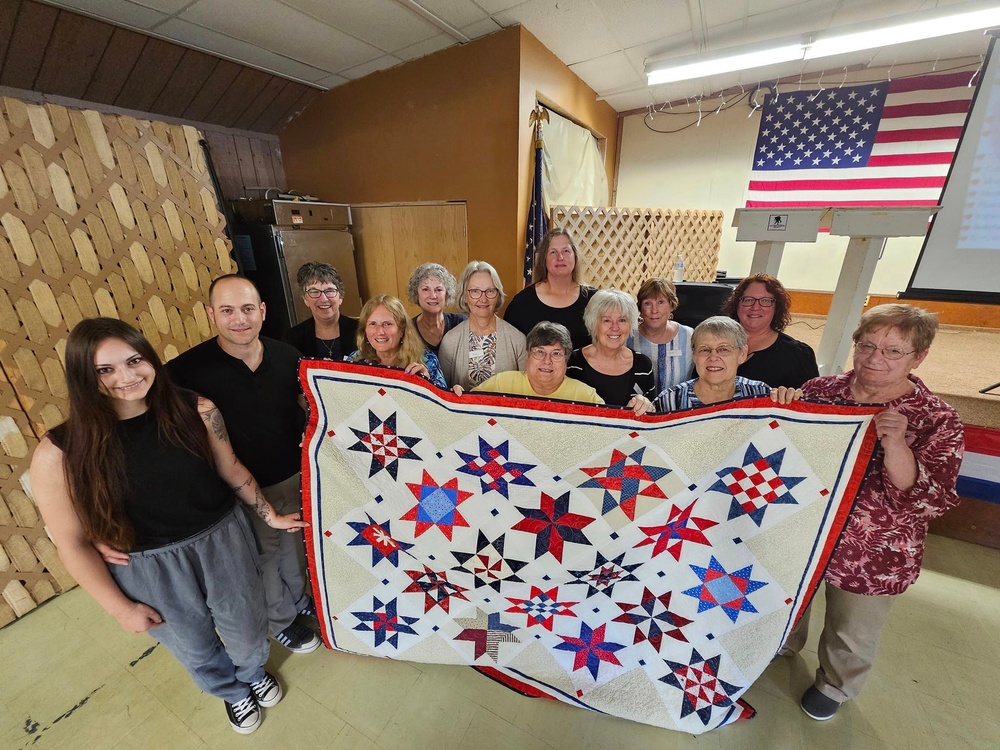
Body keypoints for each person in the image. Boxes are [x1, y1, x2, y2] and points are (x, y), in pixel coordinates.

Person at [29, 318, 307, 734]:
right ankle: (231, 693)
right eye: (104, 370)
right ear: (84, 376)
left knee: (247, 625)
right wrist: (119, 608)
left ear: (150, 359)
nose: (125, 377)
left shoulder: (197, 409)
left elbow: (230, 469)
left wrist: (270, 515)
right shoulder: (59, 451)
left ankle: (252, 674)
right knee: (193, 644)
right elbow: (70, 543)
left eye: (134, 360)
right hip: (147, 564)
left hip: (222, 539)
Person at [780, 304, 964, 721]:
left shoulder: (937, 418)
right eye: (866, 345)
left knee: (853, 628)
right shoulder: (821, 391)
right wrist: (784, 408)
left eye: (893, 351)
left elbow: (930, 500)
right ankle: (782, 644)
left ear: (919, 357)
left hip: (875, 551)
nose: (874, 358)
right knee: (790, 600)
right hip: (804, 529)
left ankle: (836, 685)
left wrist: (897, 446)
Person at [167, 275, 321, 656]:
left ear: (263, 312)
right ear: (211, 314)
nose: (240, 319)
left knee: (297, 545)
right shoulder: (184, 372)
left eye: (248, 308)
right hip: (239, 488)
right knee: (262, 558)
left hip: (295, 477)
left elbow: (310, 406)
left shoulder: (287, 356)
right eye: (227, 310)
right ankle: (280, 621)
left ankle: (300, 598)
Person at [656, 316, 800, 411]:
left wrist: (792, 404)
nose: (713, 357)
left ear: (742, 354)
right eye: (704, 350)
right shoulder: (669, 401)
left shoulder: (761, 396)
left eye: (724, 349)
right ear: (694, 355)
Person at [438, 261, 527, 391]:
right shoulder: (450, 341)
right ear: (465, 296)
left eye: (490, 291)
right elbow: (441, 391)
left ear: (498, 295)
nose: (483, 299)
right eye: (475, 291)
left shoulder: (517, 340)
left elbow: (526, 391)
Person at [503, 228, 597, 349]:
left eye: (566, 251)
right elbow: (511, 349)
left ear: (575, 256)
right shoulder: (521, 303)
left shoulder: (594, 301)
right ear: (544, 259)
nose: (560, 257)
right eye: (553, 252)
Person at [466, 322, 603, 404]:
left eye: (556, 354)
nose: (547, 361)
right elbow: (465, 410)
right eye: (539, 352)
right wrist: (455, 396)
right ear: (528, 355)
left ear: (566, 359)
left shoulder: (586, 397)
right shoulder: (501, 384)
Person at [721, 273, 819, 388]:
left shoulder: (797, 355)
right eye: (748, 300)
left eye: (766, 301)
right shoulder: (712, 342)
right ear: (737, 304)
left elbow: (809, 401)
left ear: (777, 307)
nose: (755, 307)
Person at [567, 289, 655, 415]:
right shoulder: (573, 363)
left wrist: (647, 406)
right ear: (593, 323)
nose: (615, 327)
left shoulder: (643, 365)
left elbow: (652, 414)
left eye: (622, 320)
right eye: (606, 320)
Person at [348, 294, 447, 388]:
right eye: (372, 324)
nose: (380, 331)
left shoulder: (427, 360)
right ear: (365, 330)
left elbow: (441, 402)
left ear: (401, 330)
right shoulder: (354, 359)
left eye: (387, 324)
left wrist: (427, 385)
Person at [628, 278, 694, 394]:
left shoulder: (689, 336)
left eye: (661, 302)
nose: (654, 310)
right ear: (640, 309)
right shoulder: (628, 337)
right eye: (647, 303)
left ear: (671, 305)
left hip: (678, 408)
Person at [283, 262, 358, 360]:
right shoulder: (292, 338)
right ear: (305, 299)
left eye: (330, 291)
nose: (323, 299)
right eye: (314, 292)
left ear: (340, 297)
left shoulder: (361, 330)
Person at [408, 262, 466, 354]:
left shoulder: (461, 323)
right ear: (416, 294)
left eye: (438, 290)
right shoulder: (408, 330)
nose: (433, 296)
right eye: (425, 289)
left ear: (447, 294)